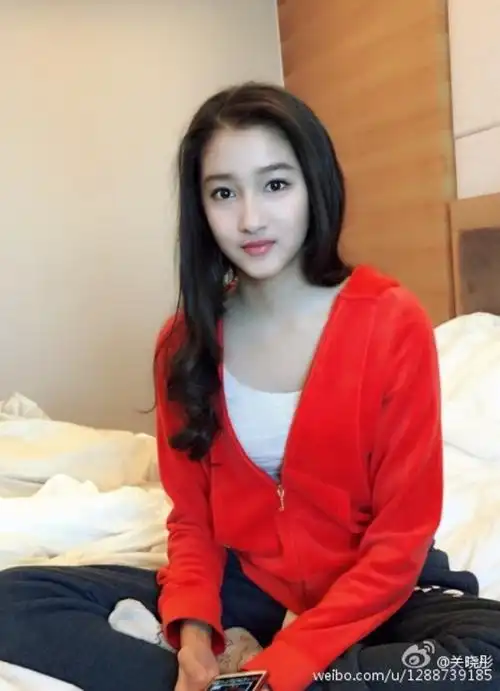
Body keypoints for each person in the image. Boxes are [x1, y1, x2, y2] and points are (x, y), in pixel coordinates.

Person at [0, 82, 498, 691]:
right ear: (200, 207)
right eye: (224, 193)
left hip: (378, 592)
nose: (250, 218)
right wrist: (193, 629)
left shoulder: (391, 322)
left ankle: (259, 682)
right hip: (252, 585)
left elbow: (400, 540)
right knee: (14, 601)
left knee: (485, 656)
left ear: (315, 186)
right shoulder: (184, 344)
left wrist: (285, 665)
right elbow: (192, 519)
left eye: (275, 185)